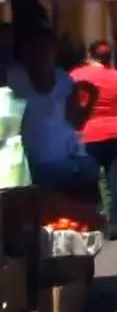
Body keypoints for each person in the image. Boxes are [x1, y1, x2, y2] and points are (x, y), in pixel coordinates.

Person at [10, 26, 98, 197]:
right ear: (28, 52)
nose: (44, 55)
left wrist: (91, 98)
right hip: (29, 165)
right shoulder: (16, 77)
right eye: (39, 50)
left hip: (62, 161)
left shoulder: (64, 80)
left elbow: (76, 121)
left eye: (48, 50)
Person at [69, 40, 117, 240]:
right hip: (115, 131)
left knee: (89, 180)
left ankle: (91, 221)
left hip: (87, 133)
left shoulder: (76, 75)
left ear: (90, 55)